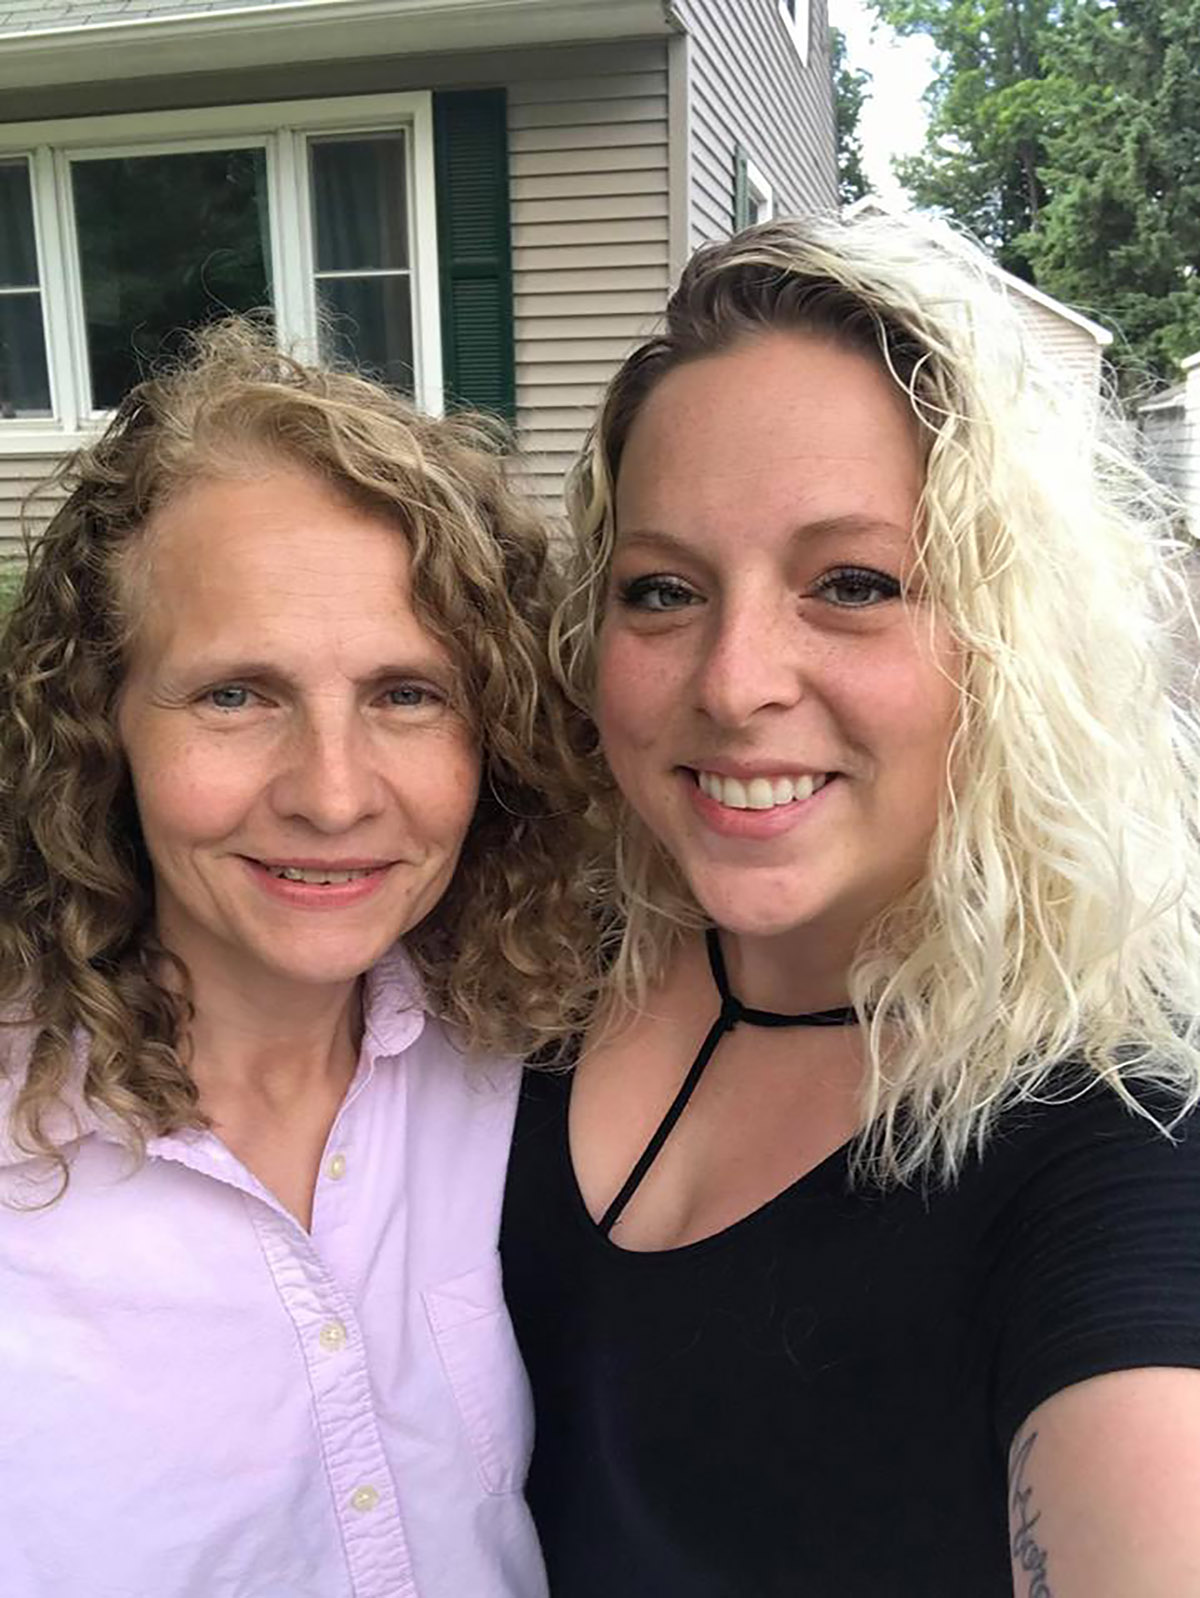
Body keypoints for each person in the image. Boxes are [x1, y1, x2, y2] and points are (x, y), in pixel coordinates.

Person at [501, 216, 1200, 1597]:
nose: (734, 678)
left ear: (1011, 640)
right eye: (664, 590)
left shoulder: (1114, 1125)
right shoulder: (526, 976)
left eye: (854, 584)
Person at [0, 321, 594, 1598]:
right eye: (235, 694)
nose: (333, 795)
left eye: (407, 692)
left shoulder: (514, 1056)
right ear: (98, 722)